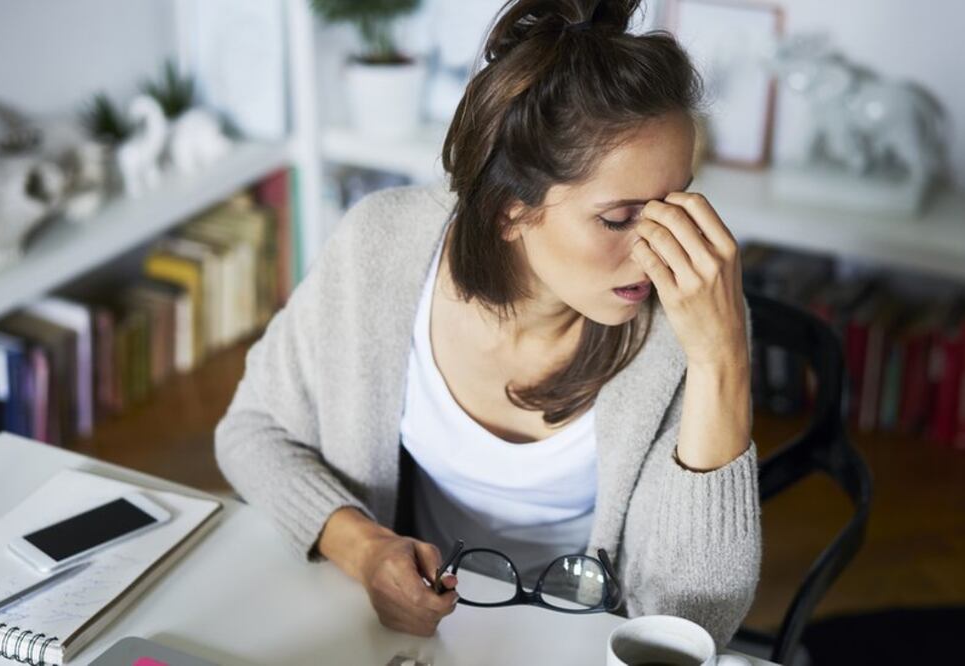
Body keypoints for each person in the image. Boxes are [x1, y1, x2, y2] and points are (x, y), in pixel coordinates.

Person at [215, 0, 760, 648]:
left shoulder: (689, 320)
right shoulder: (379, 250)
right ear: (508, 210)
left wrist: (721, 357)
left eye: (676, 204)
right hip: (415, 634)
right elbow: (252, 432)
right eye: (619, 218)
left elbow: (690, 623)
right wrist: (365, 550)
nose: (657, 249)